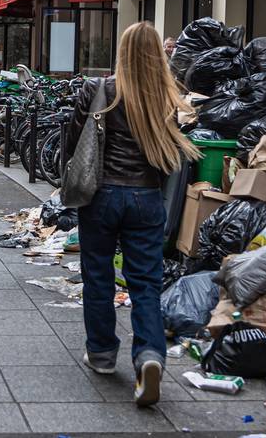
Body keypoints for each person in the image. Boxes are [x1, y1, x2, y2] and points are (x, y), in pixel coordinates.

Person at [64, 22, 202, 408]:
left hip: (102, 197)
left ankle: (103, 354)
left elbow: (75, 144)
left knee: (98, 276)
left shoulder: (100, 90)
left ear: (121, 52)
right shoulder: (165, 97)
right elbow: (167, 159)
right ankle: (149, 357)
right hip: (145, 198)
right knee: (145, 283)